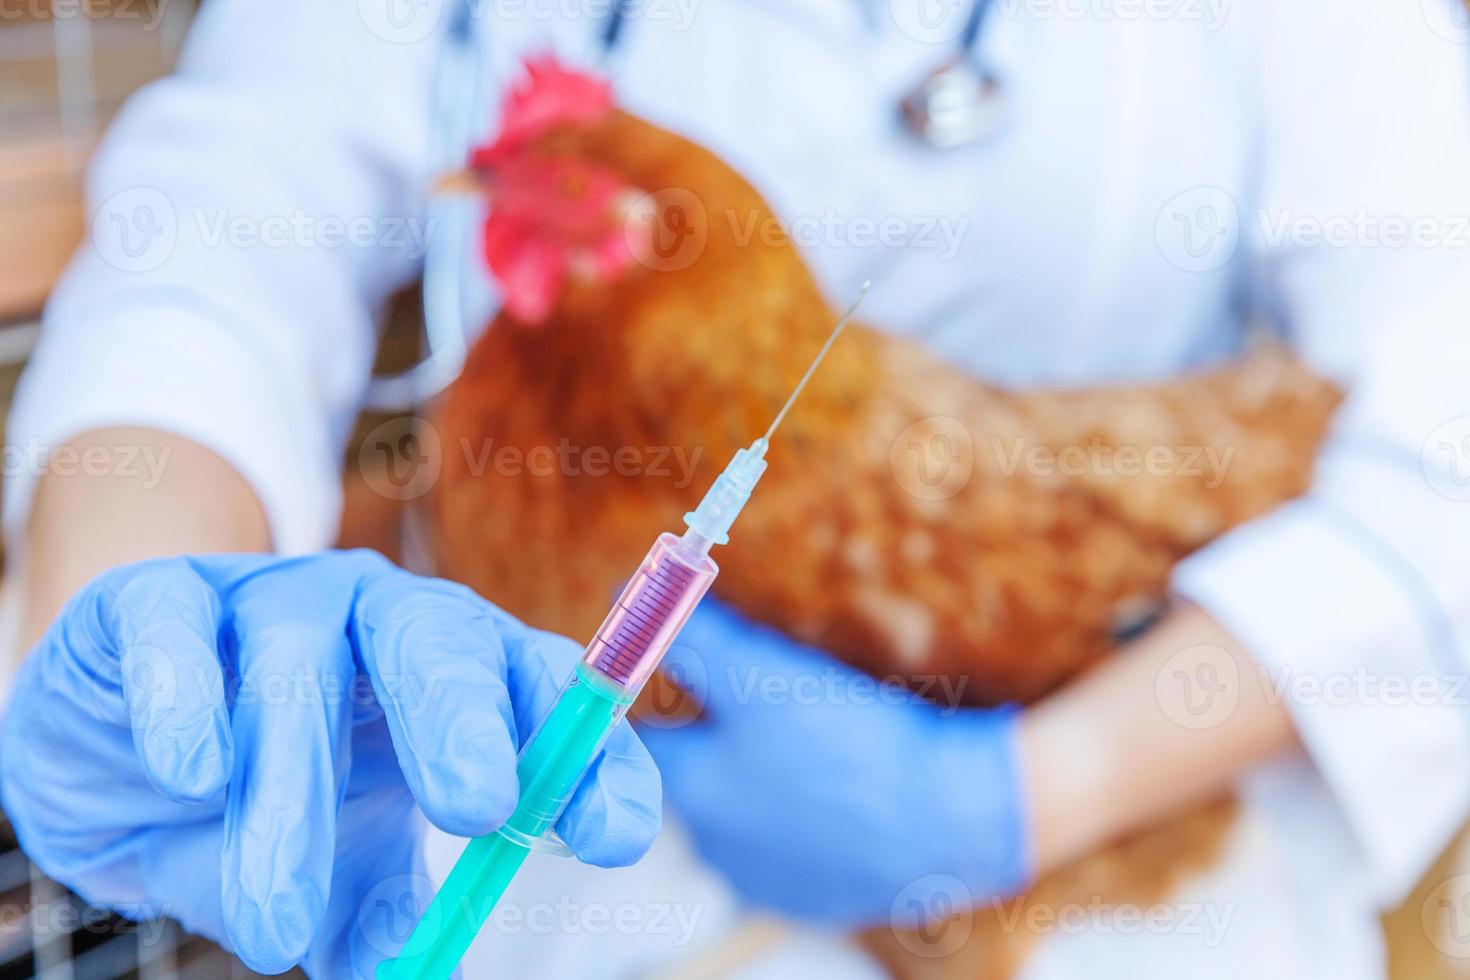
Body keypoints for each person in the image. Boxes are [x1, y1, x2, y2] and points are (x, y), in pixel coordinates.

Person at [3, 0, 1469, 977]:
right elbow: (218, 243)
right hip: (571, 910)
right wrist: (148, 611)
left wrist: (1033, 791)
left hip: (1117, 888)